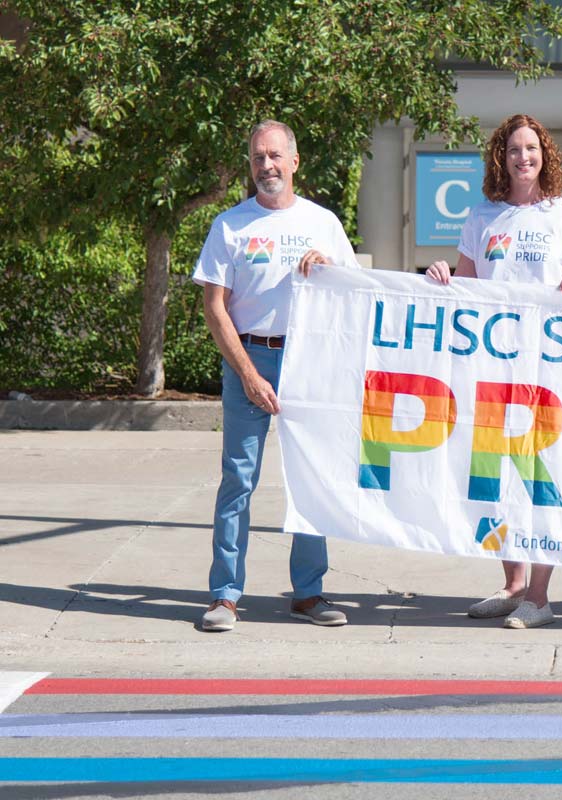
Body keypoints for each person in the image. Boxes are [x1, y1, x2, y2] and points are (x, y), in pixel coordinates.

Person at [426, 113, 562, 629]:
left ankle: (540, 598)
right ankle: (513, 584)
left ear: (545, 155)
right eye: (513, 150)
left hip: (550, 368)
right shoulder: (482, 217)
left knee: (541, 475)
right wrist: (440, 277)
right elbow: (467, 286)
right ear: (500, 159)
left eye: (531, 148)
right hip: (495, 366)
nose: (523, 157)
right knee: (497, 476)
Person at [193, 120, 360, 633]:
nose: (266, 166)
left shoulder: (323, 222)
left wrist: (328, 267)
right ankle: (225, 597)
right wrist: (246, 373)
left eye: (274, 156)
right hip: (250, 359)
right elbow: (214, 306)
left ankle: (308, 594)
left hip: (310, 362)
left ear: (294, 161)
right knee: (238, 481)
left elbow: (354, 291)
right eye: (257, 158)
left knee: (310, 479)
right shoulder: (230, 225)